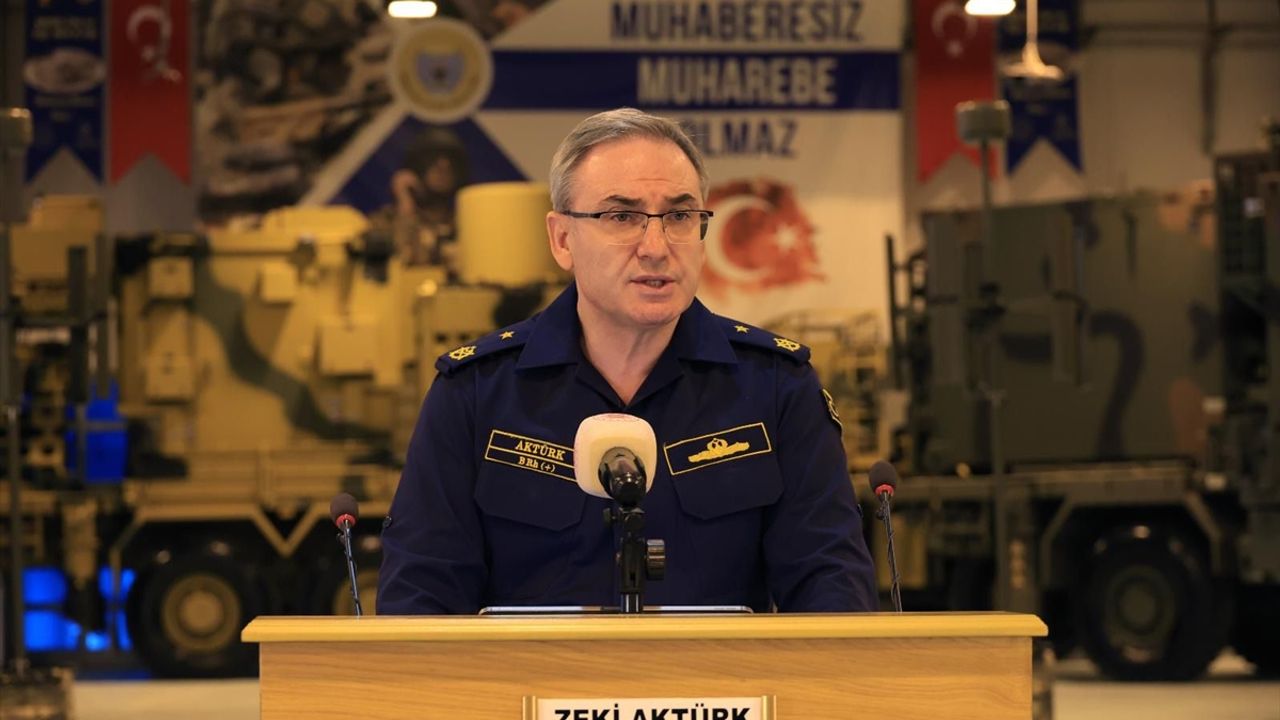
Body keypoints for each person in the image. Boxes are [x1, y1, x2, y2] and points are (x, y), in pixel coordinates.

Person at [377, 108, 877, 614]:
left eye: (679, 217)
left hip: (718, 670)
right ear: (562, 239)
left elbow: (832, 587)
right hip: (528, 670)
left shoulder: (775, 387)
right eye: (621, 217)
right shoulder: (476, 393)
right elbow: (419, 599)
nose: (656, 248)